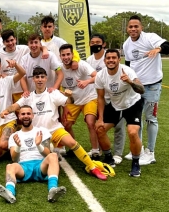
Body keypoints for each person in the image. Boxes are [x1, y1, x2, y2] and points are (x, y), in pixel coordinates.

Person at [1, 67, 107, 181]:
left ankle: (92, 167)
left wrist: (69, 95)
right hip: (38, 134)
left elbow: (70, 102)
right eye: (37, 77)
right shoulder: (28, 97)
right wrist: (6, 111)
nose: (40, 79)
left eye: (42, 77)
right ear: (33, 80)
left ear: (46, 78)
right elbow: (15, 106)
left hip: (55, 129)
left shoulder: (53, 93)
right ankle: (51, 161)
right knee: (41, 155)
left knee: (71, 142)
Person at [123, 15, 169, 165]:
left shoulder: (150, 38)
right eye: (130, 27)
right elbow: (128, 64)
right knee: (135, 119)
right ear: (127, 29)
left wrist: (158, 49)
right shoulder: (127, 44)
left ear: (141, 28)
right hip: (136, 87)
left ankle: (150, 152)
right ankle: (137, 148)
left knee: (150, 118)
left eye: (136, 26)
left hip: (152, 85)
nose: (133, 29)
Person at [0, 105, 66, 204]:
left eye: (28, 113)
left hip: (40, 166)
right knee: (10, 166)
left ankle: (52, 189)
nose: (26, 116)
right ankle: (10, 192)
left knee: (53, 156)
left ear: (32, 116)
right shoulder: (14, 136)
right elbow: (14, 159)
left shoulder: (41, 131)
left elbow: (47, 154)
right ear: (19, 116)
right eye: (23, 114)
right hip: (23, 167)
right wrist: (18, 146)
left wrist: (38, 145)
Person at [94, 49, 145, 177]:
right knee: (99, 129)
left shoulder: (127, 71)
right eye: (108, 58)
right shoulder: (100, 76)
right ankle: (109, 158)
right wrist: (100, 118)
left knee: (133, 132)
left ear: (119, 59)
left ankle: (135, 163)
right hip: (115, 105)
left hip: (132, 104)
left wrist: (130, 82)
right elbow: (100, 97)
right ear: (105, 60)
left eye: (114, 58)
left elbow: (142, 90)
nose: (111, 60)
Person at [87, 33, 125, 165]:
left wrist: (88, 81)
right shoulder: (89, 60)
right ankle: (101, 150)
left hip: (115, 97)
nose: (95, 44)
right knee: (99, 124)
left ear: (103, 44)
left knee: (118, 126)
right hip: (98, 97)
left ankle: (118, 153)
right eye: (92, 43)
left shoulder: (110, 57)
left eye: (98, 42)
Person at [59, 44, 100, 159]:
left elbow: (97, 76)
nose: (66, 57)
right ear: (60, 56)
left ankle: (95, 151)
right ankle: (75, 148)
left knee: (90, 122)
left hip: (89, 97)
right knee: (66, 124)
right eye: (63, 55)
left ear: (73, 55)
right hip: (73, 100)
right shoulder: (59, 68)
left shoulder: (81, 65)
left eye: (68, 54)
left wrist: (87, 81)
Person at [0, 29, 30, 101]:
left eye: (12, 40)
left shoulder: (24, 49)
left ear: (15, 39)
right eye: (7, 41)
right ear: (3, 42)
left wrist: (45, 50)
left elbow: (38, 47)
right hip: (6, 91)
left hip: (21, 90)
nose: (10, 43)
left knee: (21, 112)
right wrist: (2, 76)